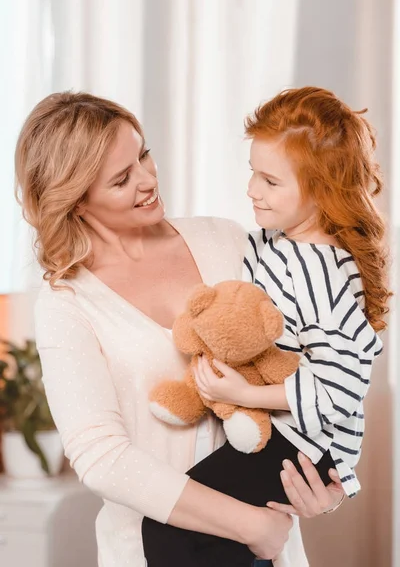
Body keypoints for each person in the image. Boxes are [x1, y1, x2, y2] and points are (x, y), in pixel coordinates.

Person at [15, 91, 345, 567]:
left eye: (144, 155)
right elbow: (100, 455)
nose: (148, 179)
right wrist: (251, 525)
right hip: (158, 552)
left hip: (271, 550)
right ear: (77, 200)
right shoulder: (68, 303)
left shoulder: (228, 239)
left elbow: (309, 368)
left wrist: (325, 485)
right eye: (121, 179)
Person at [141, 87, 390, 567]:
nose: (252, 189)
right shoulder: (267, 242)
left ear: (322, 190)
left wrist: (247, 395)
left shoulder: (325, 274)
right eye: (252, 171)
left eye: (270, 180)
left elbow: (342, 387)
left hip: (305, 445)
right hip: (280, 431)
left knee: (172, 526)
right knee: (213, 536)